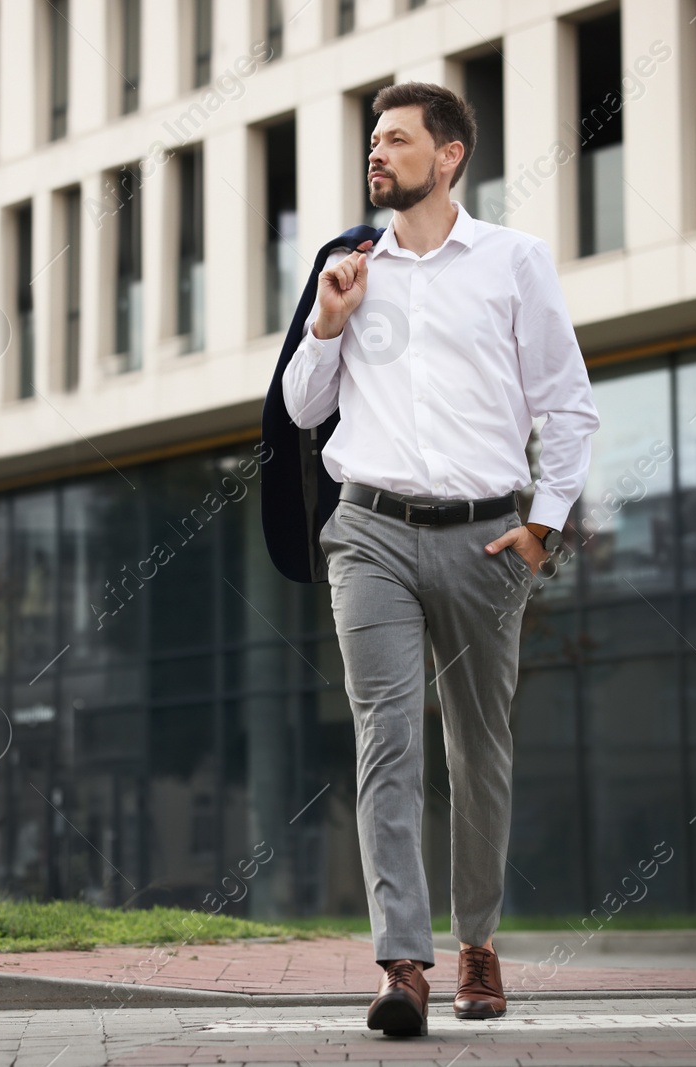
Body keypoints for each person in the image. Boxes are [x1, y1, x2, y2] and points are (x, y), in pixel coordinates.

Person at [264, 82, 599, 1036]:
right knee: (387, 738)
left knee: (478, 747)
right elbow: (299, 409)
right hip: (366, 529)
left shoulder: (512, 262)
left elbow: (567, 404)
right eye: (373, 141)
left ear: (448, 156)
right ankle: (400, 964)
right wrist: (329, 324)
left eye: (397, 140)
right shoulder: (345, 266)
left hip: (486, 535)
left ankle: (478, 943)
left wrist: (546, 525)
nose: (377, 154)